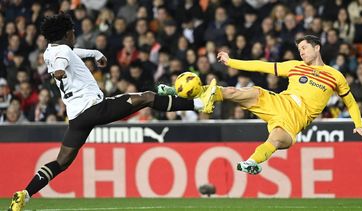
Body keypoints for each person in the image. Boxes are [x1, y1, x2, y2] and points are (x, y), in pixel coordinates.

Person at [8, 13, 217, 211]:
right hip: (94, 108)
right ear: (65, 34)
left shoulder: (50, 51)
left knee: (61, 161)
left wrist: (95, 53)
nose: (75, 34)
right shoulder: (61, 54)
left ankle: (24, 194)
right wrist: (59, 72)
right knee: (147, 97)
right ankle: (199, 104)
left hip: (77, 118)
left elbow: (70, 54)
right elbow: (61, 64)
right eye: (72, 31)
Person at [159, 35, 362, 175]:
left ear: (317, 48)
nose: (301, 52)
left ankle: (252, 162)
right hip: (278, 102)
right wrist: (231, 61)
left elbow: (350, 101)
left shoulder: (335, 76)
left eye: (304, 48)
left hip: (295, 119)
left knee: (277, 139)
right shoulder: (294, 66)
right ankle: (179, 92)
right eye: (299, 49)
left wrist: (358, 123)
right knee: (237, 92)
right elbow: (261, 65)